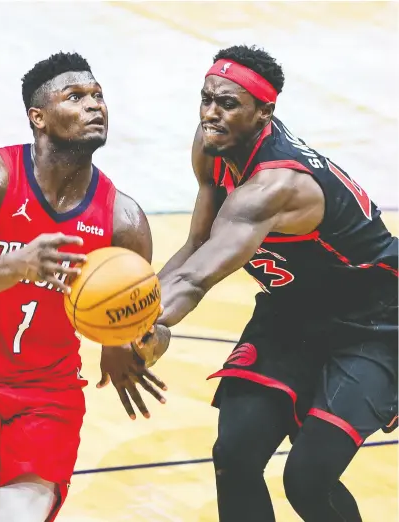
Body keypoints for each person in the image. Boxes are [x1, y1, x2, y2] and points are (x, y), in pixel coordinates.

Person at [103, 45, 398, 521]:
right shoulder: (212, 146)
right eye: (205, 99)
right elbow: (197, 244)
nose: (210, 114)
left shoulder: (276, 187)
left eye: (227, 104)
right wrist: (137, 309)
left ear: (265, 112)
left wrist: (130, 320)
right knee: (235, 456)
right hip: (294, 312)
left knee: (307, 480)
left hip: (373, 324)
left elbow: (198, 279)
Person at [0, 51, 170, 522]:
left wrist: (134, 343)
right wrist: (20, 264)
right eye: (76, 97)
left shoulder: (123, 219)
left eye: (99, 96)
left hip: (49, 393)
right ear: (39, 117)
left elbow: (140, 321)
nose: (95, 106)